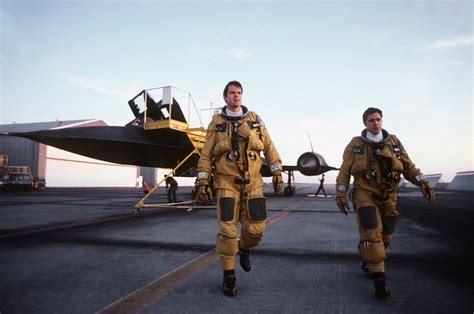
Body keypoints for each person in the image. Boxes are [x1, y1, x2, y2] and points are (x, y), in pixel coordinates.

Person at [335, 107, 435, 298]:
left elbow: (408, 166)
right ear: (365, 123)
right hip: (365, 193)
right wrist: (340, 192)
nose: (376, 123)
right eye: (371, 120)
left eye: (378, 119)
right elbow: (345, 170)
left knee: (387, 233)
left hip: (389, 195)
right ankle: (379, 276)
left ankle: (370, 260)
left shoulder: (394, 142)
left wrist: (423, 182)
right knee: (371, 232)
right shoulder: (355, 144)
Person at [196, 80, 283, 296]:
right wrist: (203, 181)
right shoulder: (216, 122)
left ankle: (244, 248)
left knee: (256, 229)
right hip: (227, 182)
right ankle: (229, 276)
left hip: (253, 182)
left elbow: (270, 147)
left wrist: (277, 171)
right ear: (225, 97)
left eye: (239, 93)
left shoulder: (254, 120)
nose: (236, 96)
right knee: (227, 231)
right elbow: (206, 154)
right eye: (232, 93)